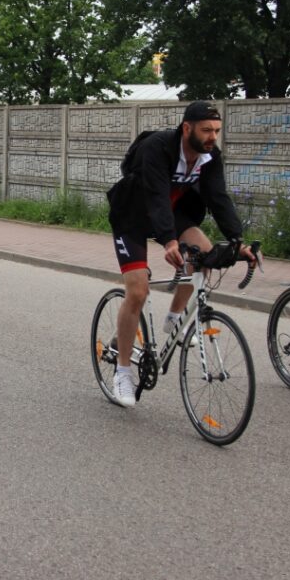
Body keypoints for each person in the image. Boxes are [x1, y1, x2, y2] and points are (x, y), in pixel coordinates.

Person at [105, 100, 256, 407]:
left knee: (205, 254)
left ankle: (174, 319)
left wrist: (238, 240)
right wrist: (169, 241)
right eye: (206, 130)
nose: (213, 136)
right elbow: (156, 195)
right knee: (137, 291)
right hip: (133, 216)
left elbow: (218, 197)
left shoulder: (209, 156)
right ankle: (122, 373)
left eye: (216, 130)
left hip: (171, 215)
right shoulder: (158, 148)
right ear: (187, 128)